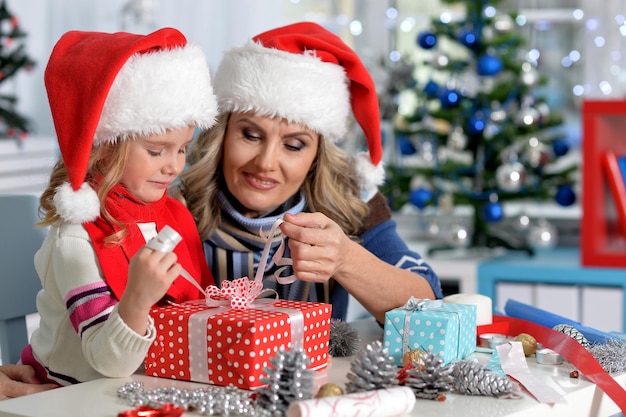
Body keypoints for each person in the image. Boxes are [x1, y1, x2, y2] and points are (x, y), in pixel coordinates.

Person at [177, 21, 443, 324]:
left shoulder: (352, 200)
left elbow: (430, 310)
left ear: (317, 154)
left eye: (293, 145)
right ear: (221, 134)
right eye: (251, 135)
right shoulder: (177, 203)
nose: (266, 162)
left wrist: (346, 258)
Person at [20, 27, 218, 386]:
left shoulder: (174, 215)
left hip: (150, 385)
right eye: (156, 150)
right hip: (70, 394)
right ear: (106, 146)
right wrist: (137, 299)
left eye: (183, 148)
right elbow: (104, 361)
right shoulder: (76, 238)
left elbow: (197, 307)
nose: (174, 165)